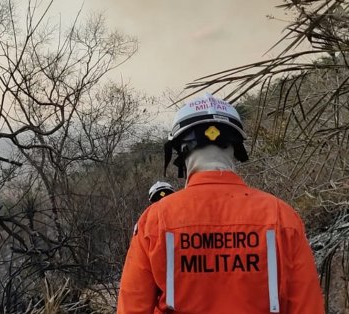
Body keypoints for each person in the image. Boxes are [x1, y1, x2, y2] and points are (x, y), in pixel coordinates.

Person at [117, 93, 324, 314]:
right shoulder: (282, 216)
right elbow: (307, 306)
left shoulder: (155, 220)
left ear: (181, 151)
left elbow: (133, 307)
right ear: (235, 148)